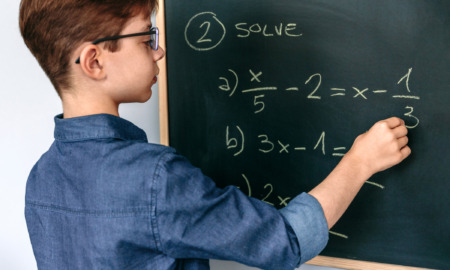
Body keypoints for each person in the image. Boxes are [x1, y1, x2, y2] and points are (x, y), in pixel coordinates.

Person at [19, 0, 411, 269]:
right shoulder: (156, 180)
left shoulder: (40, 179)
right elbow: (285, 241)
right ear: (94, 60)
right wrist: (360, 161)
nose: (159, 51)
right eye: (145, 38)